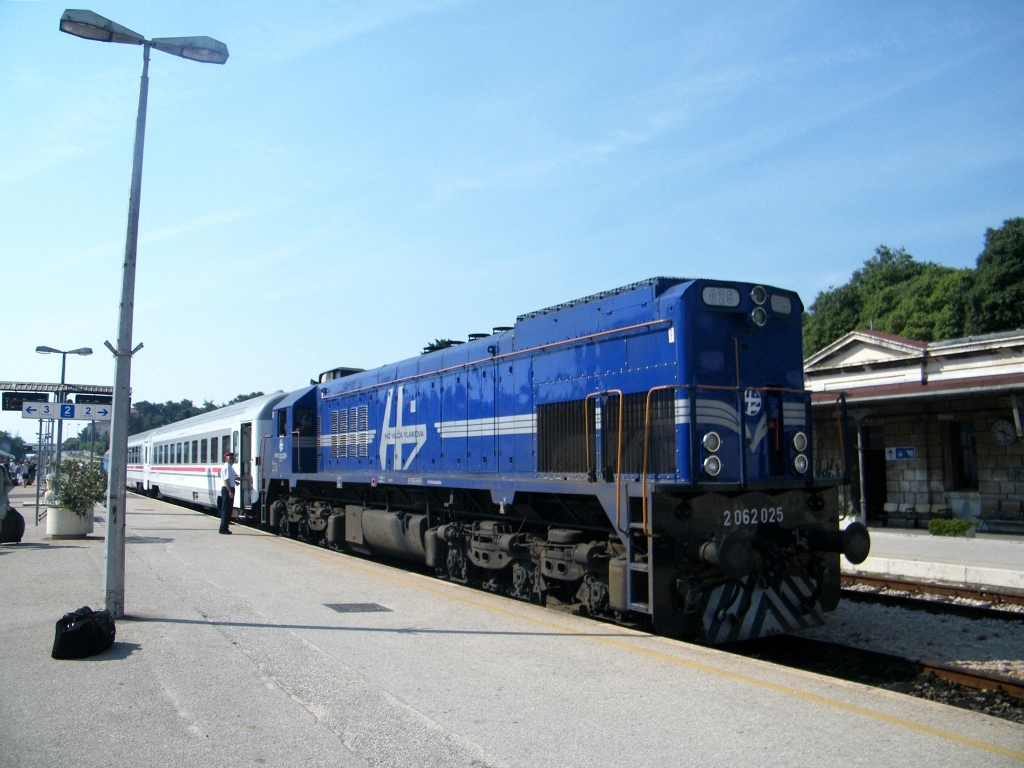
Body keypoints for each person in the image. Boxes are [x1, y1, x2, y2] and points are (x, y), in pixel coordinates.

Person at [218, 452, 239, 534]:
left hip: (228, 489)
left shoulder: (230, 467)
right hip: (227, 490)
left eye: (233, 458)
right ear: (226, 459)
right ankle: (223, 529)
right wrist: (230, 491)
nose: (233, 460)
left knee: (228, 509)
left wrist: (246, 479)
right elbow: (226, 481)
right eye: (231, 458)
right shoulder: (226, 467)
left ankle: (225, 527)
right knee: (226, 509)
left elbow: (234, 477)